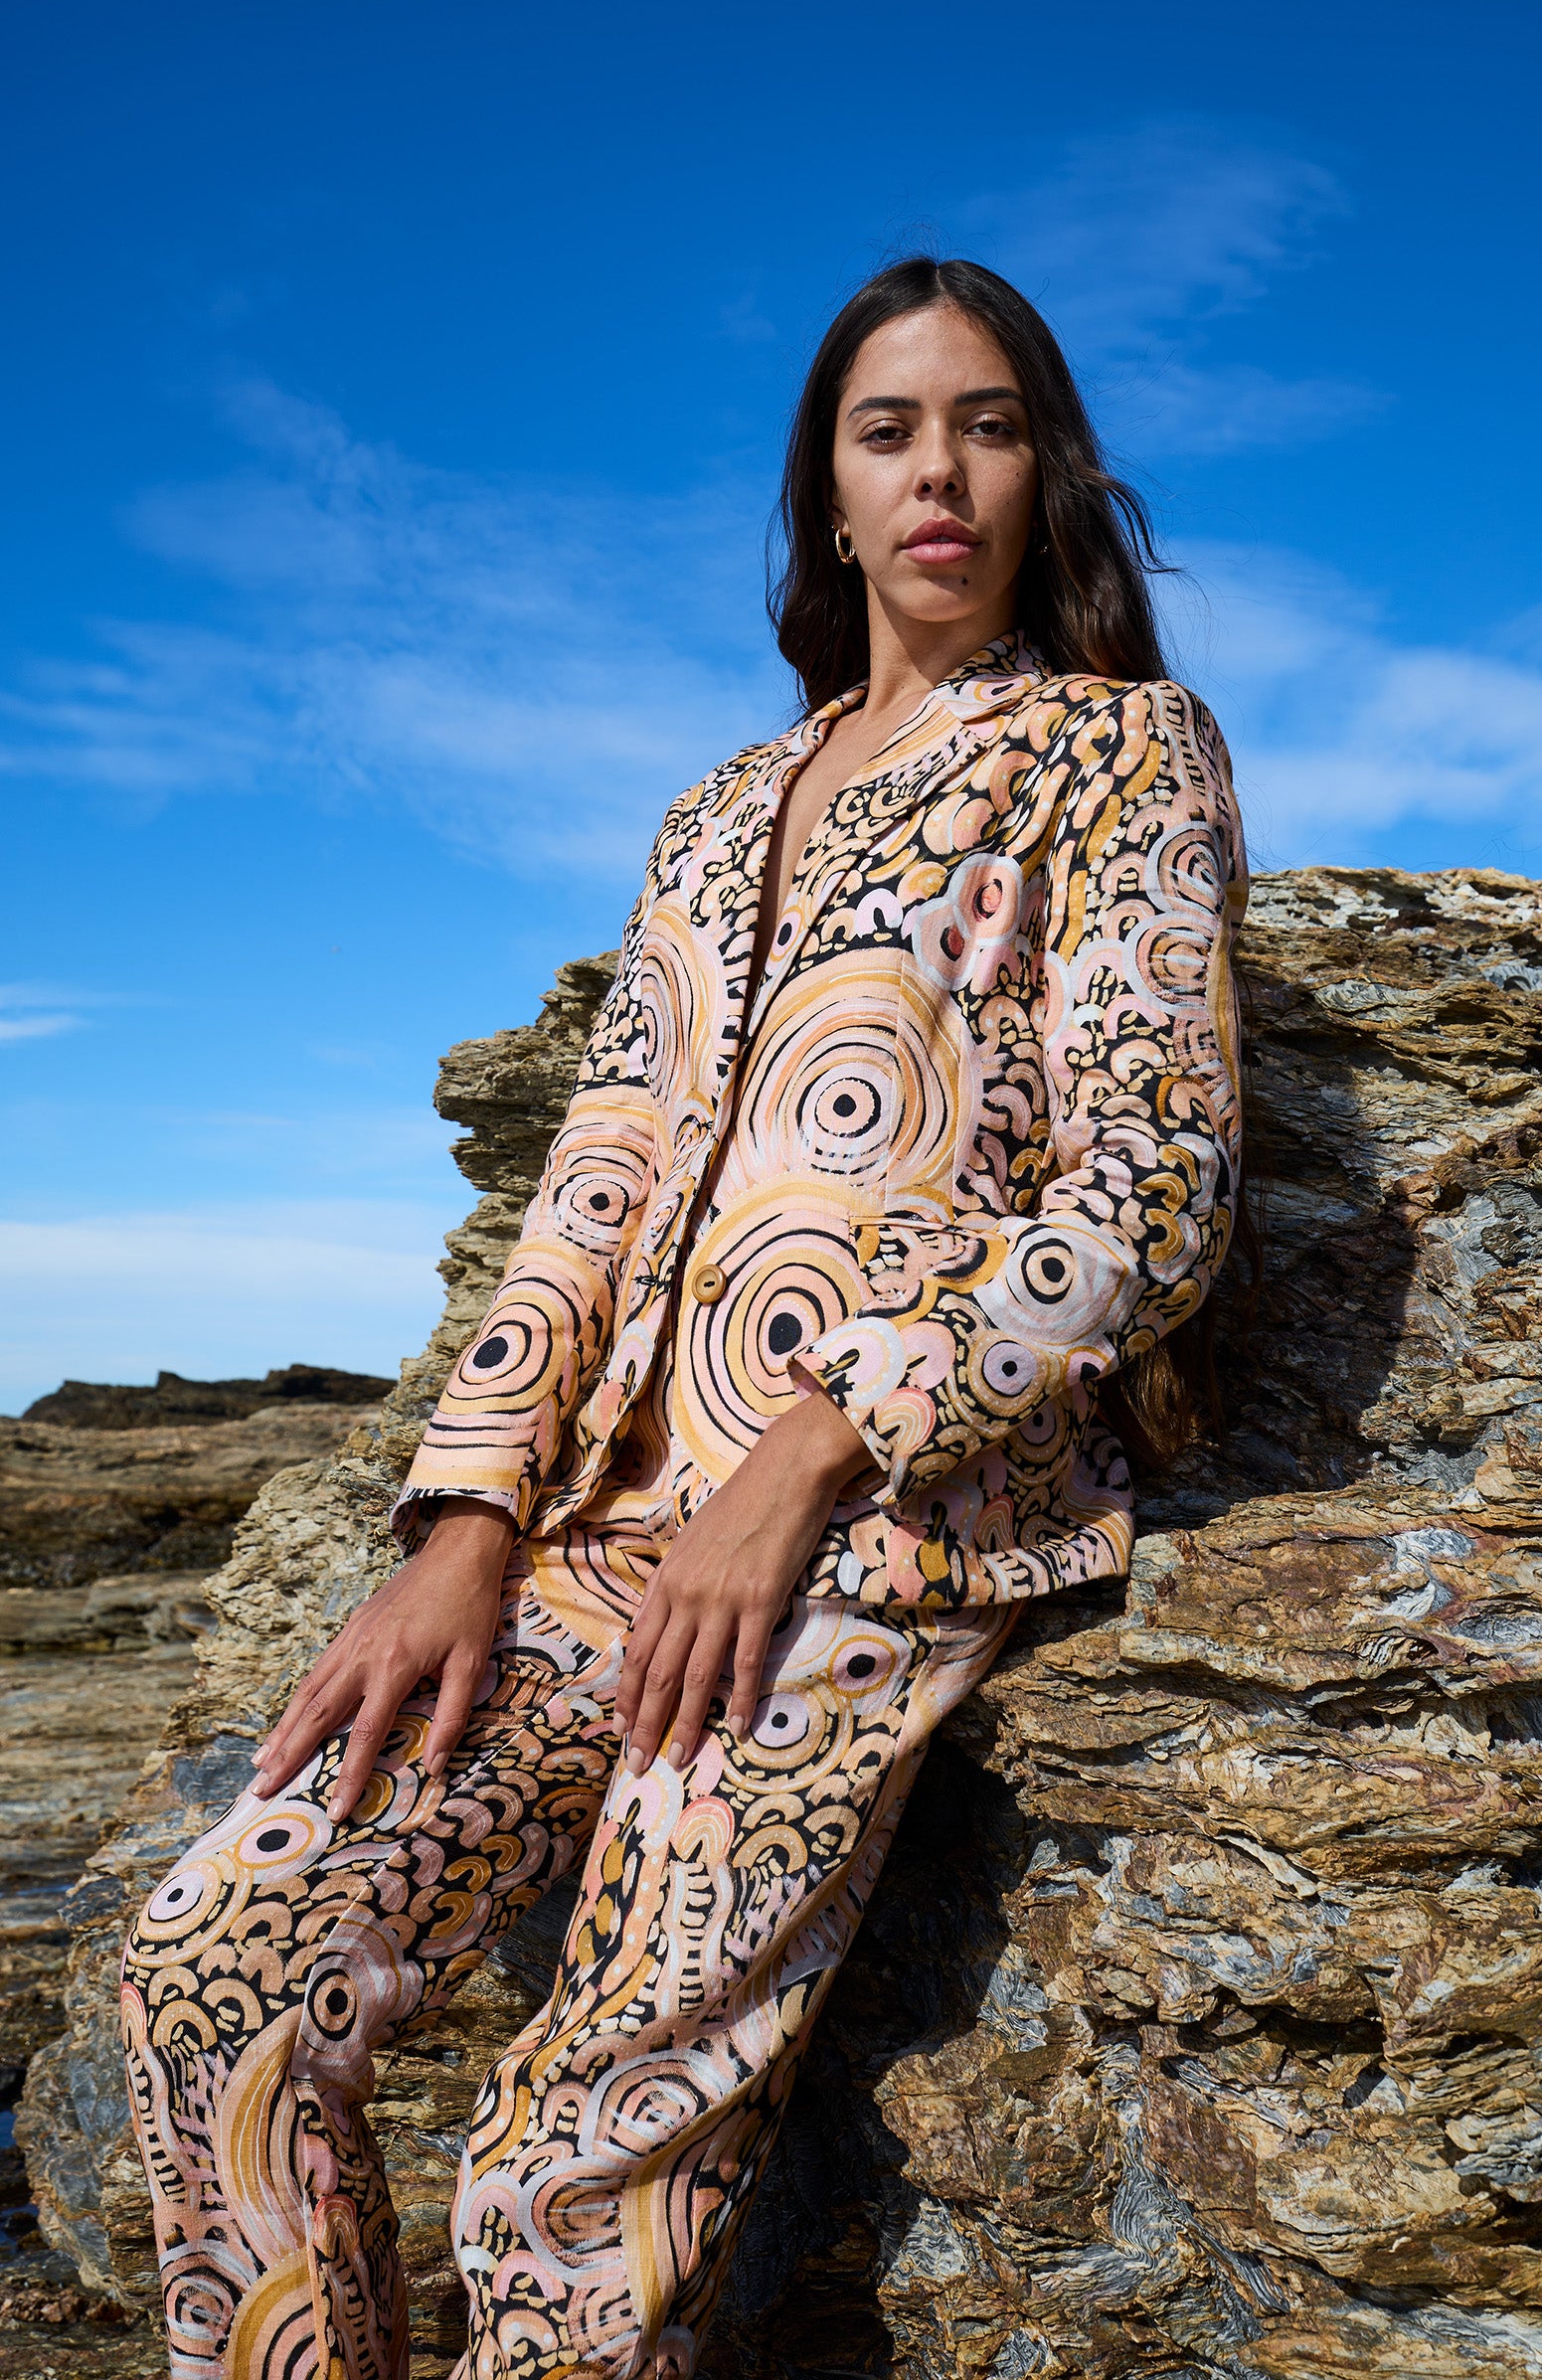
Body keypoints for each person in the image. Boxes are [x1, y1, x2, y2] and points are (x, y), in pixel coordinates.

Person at [120, 255, 1246, 2380]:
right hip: (587, 1544)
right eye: (887, 428)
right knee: (211, 1968)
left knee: (562, 2170)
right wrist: (461, 1527)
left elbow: (1151, 1192)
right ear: (825, 488)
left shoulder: (1118, 754)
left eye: (987, 425)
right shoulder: (716, 811)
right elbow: (594, 1183)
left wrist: (813, 1454)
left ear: (1045, 473)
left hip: (869, 1541)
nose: (939, 472)